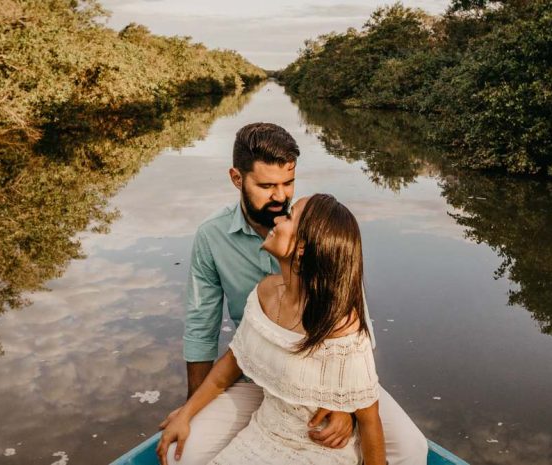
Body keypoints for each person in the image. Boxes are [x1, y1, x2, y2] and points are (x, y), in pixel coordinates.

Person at [161, 123, 428, 464]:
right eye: (267, 185)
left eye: (288, 183)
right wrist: (191, 408)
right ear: (236, 178)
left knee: (410, 448)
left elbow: (352, 325)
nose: (281, 196)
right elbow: (201, 330)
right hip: (255, 375)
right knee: (179, 452)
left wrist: (341, 403)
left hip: (323, 382)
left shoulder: (317, 229)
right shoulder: (212, 237)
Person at [158, 194, 385, 465]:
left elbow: (370, 423)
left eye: (288, 217)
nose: (277, 219)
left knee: (412, 447)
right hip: (264, 432)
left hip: (319, 448)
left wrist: (345, 411)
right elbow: (229, 365)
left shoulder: (340, 324)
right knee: (178, 456)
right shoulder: (265, 292)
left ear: (302, 248)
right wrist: (186, 413)